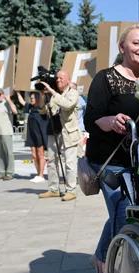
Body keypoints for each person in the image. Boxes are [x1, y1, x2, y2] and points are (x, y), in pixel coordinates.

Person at [84, 24, 139, 273]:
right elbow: (90, 118)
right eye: (137, 43)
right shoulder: (106, 78)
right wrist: (108, 121)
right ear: (122, 48)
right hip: (111, 160)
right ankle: (122, 270)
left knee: (131, 210)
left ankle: (104, 253)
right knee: (126, 213)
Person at [38, 71, 81, 201]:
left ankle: (71, 190)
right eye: (57, 78)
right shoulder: (54, 95)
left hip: (68, 132)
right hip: (54, 129)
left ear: (68, 80)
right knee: (51, 161)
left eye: (61, 78)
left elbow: (67, 105)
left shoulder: (72, 92)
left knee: (69, 163)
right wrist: (43, 95)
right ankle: (53, 189)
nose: (58, 80)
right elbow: (44, 111)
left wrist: (52, 91)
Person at [17, 91, 48, 183]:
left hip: (40, 133)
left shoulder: (42, 108)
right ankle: (38, 174)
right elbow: (22, 102)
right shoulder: (29, 107)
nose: (31, 99)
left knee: (40, 154)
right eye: (30, 98)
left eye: (33, 98)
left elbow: (44, 99)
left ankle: (41, 175)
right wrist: (18, 92)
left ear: (38, 99)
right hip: (31, 134)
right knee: (34, 155)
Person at [0, 88, 18, 180]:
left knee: (8, 152)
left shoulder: (7, 103)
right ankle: (1, 171)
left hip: (6, 131)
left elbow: (15, 111)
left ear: (3, 94)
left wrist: (8, 99)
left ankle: (9, 173)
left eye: (0, 94)